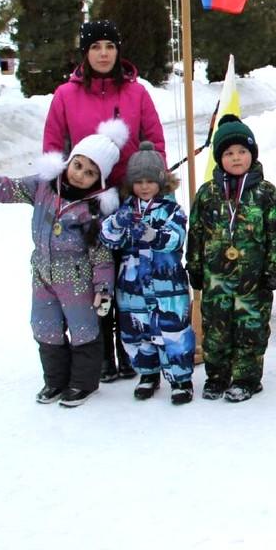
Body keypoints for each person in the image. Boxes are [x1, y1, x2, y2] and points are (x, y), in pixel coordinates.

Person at [0, 119, 128, 407]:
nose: (81, 175)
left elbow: (101, 254)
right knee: (44, 326)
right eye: (79, 165)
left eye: (90, 172)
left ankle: (83, 384)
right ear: (69, 161)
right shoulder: (42, 187)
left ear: (99, 179)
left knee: (83, 329)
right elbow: (7, 189)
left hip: (77, 279)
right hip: (43, 273)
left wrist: (103, 288)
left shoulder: (93, 209)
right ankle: (55, 382)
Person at [44, 20, 166, 383]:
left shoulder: (136, 93)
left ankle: (133, 350)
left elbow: (155, 142)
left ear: (118, 51)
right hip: (85, 202)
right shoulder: (65, 95)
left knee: (129, 279)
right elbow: (53, 145)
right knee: (93, 278)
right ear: (85, 52)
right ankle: (101, 355)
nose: (103, 54)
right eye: (95, 47)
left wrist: (150, 183)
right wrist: (62, 191)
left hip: (129, 197)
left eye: (109, 47)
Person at [186, 115, 276, 403]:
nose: (236, 158)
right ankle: (217, 376)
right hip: (215, 280)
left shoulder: (266, 193)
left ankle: (246, 378)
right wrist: (194, 266)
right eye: (229, 153)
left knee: (250, 330)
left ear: (252, 154)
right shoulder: (207, 194)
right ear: (220, 158)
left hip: (252, 283)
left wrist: (275, 269)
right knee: (216, 331)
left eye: (242, 151)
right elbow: (195, 233)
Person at [100, 142, 195, 405]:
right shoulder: (126, 210)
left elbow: (176, 238)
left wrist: (154, 235)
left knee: (174, 332)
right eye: (138, 181)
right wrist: (117, 223)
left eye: (150, 181)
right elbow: (108, 238)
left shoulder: (171, 210)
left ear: (161, 182)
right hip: (133, 290)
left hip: (167, 288)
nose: (144, 187)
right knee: (136, 333)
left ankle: (180, 379)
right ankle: (148, 374)